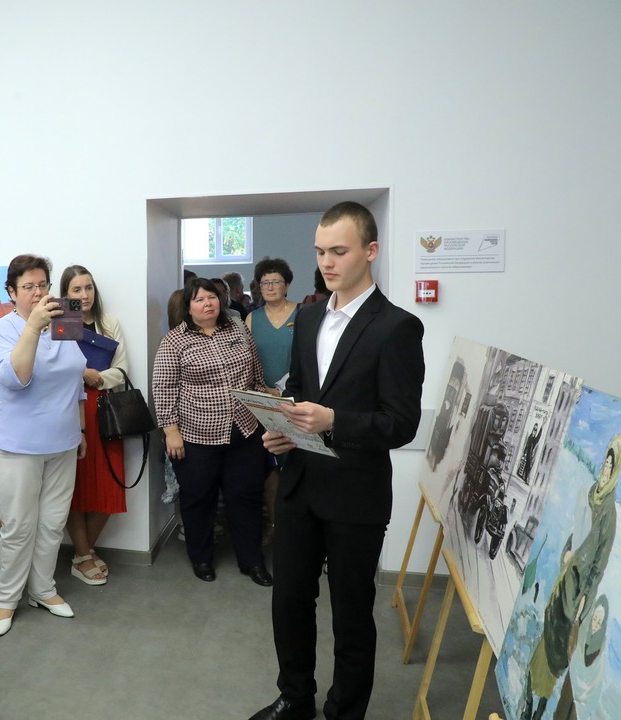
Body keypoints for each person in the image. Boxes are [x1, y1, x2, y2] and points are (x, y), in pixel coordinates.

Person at [249, 201, 424, 720]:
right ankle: (295, 697)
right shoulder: (307, 317)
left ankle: (344, 711)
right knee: (289, 602)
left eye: (339, 251)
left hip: (355, 493)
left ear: (371, 251)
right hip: (300, 483)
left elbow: (401, 423)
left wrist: (333, 420)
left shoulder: (397, 327)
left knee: (351, 615)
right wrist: (283, 428)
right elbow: (300, 390)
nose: (327, 262)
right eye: (320, 251)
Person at [0, 254, 86, 637]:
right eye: (28, 287)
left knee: (53, 522)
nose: (38, 292)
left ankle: (43, 589)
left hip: (63, 440)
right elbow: (16, 378)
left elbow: (75, 376)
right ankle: (6, 599)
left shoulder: (65, 320)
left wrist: (81, 429)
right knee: (18, 525)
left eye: (43, 285)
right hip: (18, 443)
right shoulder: (3, 329)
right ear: (12, 293)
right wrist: (33, 327)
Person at [152, 277, 272, 586]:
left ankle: (252, 561)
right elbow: (163, 388)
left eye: (212, 297)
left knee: (246, 497)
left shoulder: (238, 330)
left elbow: (256, 375)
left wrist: (269, 407)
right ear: (188, 307)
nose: (208, 303)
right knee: (198, 499)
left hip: (244, 430)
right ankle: (201, 558)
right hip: (197, 435)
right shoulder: (174, 341)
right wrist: (170, 431)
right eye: (199, 299)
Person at [523, 435, 621, 720]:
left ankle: (541, 707)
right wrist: (567, 551)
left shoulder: (610, 515)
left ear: (615, 472)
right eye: (604, 464)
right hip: (564, 581)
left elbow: (599, 565)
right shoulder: (590, 494)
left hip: (576, 593)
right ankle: (529, 698)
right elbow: (576, 533)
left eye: (610, 467)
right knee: (546, 636)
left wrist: (585, 600)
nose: (605, 471)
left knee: (557, 653)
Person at [60, 265, 128, 585]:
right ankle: (84, 555)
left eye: (88, 288)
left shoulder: (109, 323)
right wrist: (80, 373)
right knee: (74, 485)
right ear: (65, 294)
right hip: (70, 410)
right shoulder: (61, 323)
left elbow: (123, 369)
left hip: (104, 410)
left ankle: (83, 553)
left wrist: (96, 377)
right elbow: (55, 369)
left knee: (110, 482)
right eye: (76, 289)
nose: (84, 295)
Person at [246, 258, 300, 546]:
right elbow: (246, 359)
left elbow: (309, 359)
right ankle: (275, 524)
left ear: (287, 284)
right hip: (261, 404)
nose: (269, 287)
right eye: (264, 282)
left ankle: (297, 528)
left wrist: (282, 390)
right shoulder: (252, 319)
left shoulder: (303, 314)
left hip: (295, 401)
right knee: (268, 468)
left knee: (296, 466)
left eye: (275, 281)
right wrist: (262, 391)